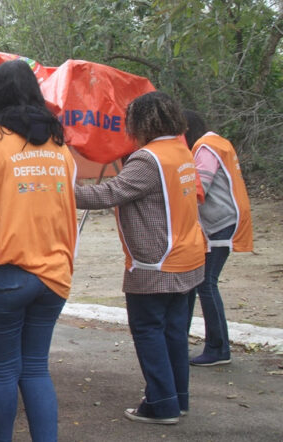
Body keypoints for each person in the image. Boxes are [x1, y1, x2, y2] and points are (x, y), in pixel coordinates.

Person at [0, 60, 78, 442]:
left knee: (2, 371)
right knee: (36, 369)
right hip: (55, 273)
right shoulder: (62, 147)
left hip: (3, 270)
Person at [75, 92, 205, 425]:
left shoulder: (149, 159)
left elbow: (107, 194)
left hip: (157, 264)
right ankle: (178, 399)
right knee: (175, 333)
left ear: (142, 122)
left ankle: (161, 405)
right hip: (187, 258)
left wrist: (58, 188)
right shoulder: (181, 151)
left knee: (148, 331)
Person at [183, 110, 253, 366]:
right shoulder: (219, 142)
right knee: (202, 283)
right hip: (228, 218)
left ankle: (218, 348)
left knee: (206, 284)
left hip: (220, 223)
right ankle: (211, 344)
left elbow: (199, 187)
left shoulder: (205, 147)